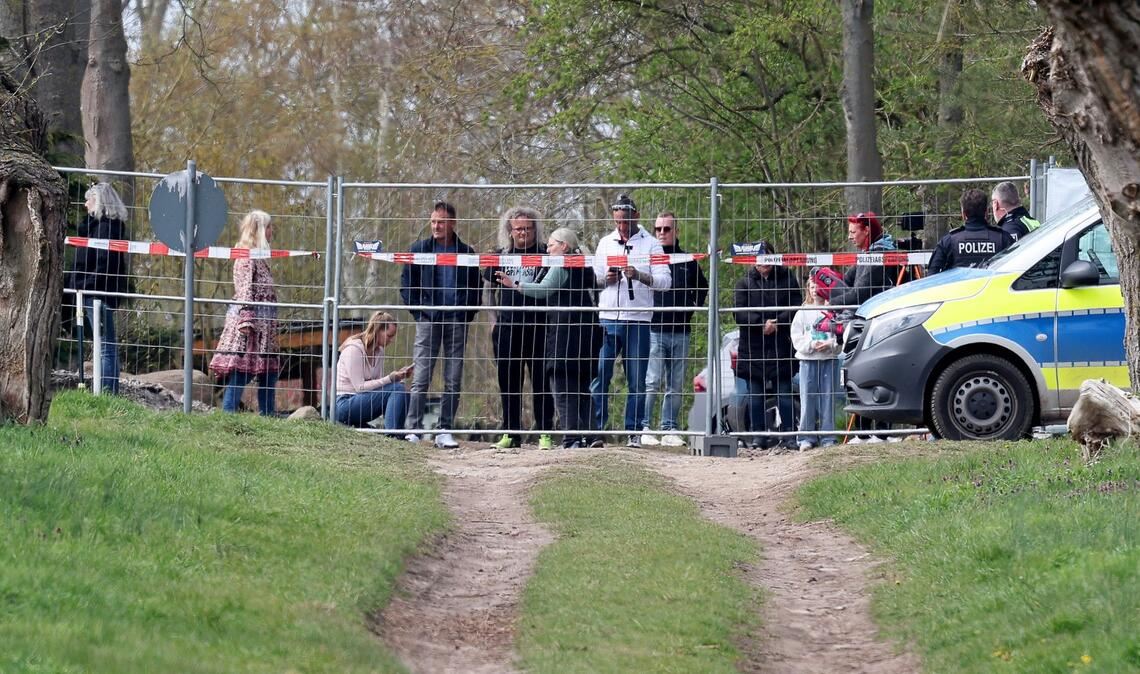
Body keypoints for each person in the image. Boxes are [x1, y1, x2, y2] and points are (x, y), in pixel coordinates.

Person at [497, 228, 601, 449]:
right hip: (588, 334)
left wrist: (515, 285)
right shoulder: (584, 264)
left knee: (562, 387)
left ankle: (571, 438)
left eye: (552, 244)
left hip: (565, 335)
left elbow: (544, 289)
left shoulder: (561, 264)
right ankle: (593, 436)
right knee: (583, 388)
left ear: (564, 246)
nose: (547, 248)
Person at [399, 201, 483, 448]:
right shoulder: (419, 250)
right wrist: (420, 313)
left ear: (453, 223)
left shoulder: (466, 253)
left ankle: (444, 429)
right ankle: (412, 429)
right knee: (421, 376)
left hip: (456, 321)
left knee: (453, 378)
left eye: (441, 222)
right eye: (433, 221)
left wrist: (464, 315)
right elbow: (406, 286)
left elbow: (476, 290)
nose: (436, 226)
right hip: (428, 320)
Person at [590, 193, 671, 448]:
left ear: (635, 216)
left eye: (626, 221)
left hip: (638, 321)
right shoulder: (605, 243)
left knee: (636, 379)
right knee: (600, 375)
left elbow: (665, 283)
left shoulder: (652, 245)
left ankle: (634, 431)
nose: (622, 227)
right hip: (607, 319)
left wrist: (639, 275)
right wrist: (606, 281)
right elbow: (592, 282)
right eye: (618, 222)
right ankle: (595, 431)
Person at [483, 206, 555, 450]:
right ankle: (511, 433)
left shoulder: (546, 253)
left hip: (539, 327)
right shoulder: (500, 254)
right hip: (507, 328)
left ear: (535, 229)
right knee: (508, 382)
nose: (523, 233)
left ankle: (544, 432)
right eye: (518, 229)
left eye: (527, 228)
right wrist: (493, 321)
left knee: (541, 382)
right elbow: (487, 291)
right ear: (510, 231)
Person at [639, 212, 708, 447]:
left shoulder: (687, 260)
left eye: (666, 229)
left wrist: (691, 307)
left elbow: (702, 287)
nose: (661, 233)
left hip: (681, 329)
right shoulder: (649, 258)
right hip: (654, 328)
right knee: (652, 380)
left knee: (676, 383)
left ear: (676, 231)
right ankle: (645, 427)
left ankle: (670, 428)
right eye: (658, 228)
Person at [831, 211, 896, 442]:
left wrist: (833, 302)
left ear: (867, 230)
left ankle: (881, 432)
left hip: (877, 323)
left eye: (853, 232)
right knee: (858, 374)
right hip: (862, 321)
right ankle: (864, 431)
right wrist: (827, 282)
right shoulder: (864, 253)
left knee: (876, 373)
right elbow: (847, 282)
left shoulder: (879, 255)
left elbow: (860, 292)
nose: (850, 237)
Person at [209, 210, 281, 415]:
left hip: (264, 324)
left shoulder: (261, 257)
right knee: (242, 370)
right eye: (268, 227)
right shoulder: (246, 256)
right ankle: (228, 414)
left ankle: (268, 416)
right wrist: (247, 319)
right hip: (249, 323)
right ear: (258, 230)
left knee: (268, 371)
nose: (271, 231)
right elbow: (244, 288)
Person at [733, 241, 800, 454]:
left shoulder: (787, 277)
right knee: (754, 395)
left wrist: (777, 322)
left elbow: (796, 306)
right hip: (752, 346)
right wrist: (760, 324)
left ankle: (789, 435)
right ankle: (758, 436)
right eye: (759, 258)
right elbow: (739, 312)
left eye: (767, 257)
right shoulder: (744, 282)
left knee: (784, 393)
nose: (764, 263)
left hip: (781, 345)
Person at [67, 182, 130, 394]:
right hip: (93, 292)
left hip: (98, 294)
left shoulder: (105, 229)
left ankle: (106, 393)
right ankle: (108, 391)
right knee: (104, 344)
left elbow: (104, 263)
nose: (85, 204)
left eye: (89, 199)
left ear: (99, 201)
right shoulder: (99, 228)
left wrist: (85, 285)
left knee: (105, 346)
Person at [791, 268, 844, 451]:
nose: (815, 290)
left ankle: (828, 437)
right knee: (807, 400)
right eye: (811, 286)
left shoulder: (833, 311)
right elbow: (797, 337)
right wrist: (811, 345)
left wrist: (830, 344)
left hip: (829, 360)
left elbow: (840, 336)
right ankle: (806, 437)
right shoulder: (802, 313)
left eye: (818, 286)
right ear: (808, 289)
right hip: (808, 361)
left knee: (828, 399)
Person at [335, 311, 412, 433]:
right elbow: (360, 387)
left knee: (401, 388)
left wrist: (398, 377)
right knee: (397, 389)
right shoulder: (353, 350)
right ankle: (393, 435)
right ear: (378, 331)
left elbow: (378, 386)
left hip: (361, 401)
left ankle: (395, 433)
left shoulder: (379, 351)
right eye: (389, 336)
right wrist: (390, 379)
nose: (391, 340)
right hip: (344, 403)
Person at [927, 189, 1014, 274]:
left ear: (963, 214)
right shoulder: (1003, 238)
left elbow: (932, 275)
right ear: (986, 212)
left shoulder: (949, 241)